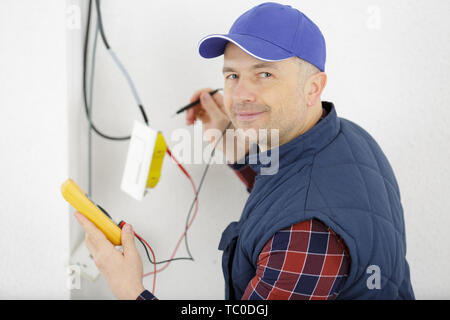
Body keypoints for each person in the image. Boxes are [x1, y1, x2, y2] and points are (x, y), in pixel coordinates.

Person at [74, 2, 415, 300]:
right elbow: (289, 185)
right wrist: (230, 139)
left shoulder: (306, 234)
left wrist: (130, 290)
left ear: (313, 88)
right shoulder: (347, 137)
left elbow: (300, 207)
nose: (240, 95)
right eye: (233, 75)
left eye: (264, 74)